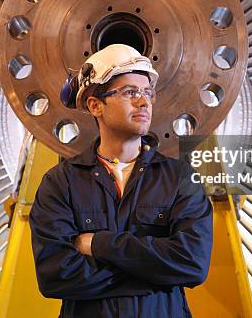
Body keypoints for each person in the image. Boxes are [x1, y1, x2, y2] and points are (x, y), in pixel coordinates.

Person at [29, 43, 213, 318]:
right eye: (130, 92)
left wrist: (98, 245)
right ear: (95, 105)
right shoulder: (61, 183)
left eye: (147, 92)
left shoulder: (178, 178)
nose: (144, 101)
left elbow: (192, 263)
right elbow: (56, 275)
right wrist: (155, 273)